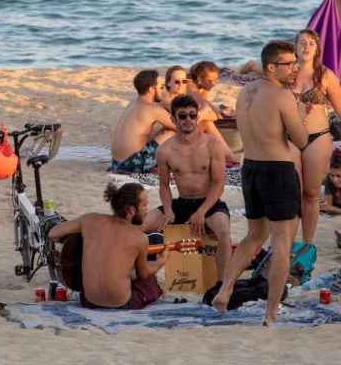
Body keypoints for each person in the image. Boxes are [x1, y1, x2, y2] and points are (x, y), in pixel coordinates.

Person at [212, 41, 307, 325]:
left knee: (254, 235)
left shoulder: (245, 92)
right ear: (270, 67)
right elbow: (301, 141)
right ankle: (270, 312)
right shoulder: (281, 96)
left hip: (250, 168)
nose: (295, 68)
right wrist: (300, 113)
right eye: (289, 63)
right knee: (282, 241)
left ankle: (226, 288)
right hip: (277, 170)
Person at [142, 95, 231, 281]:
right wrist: (167, 210)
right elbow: (164, 186)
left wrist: (202, 212)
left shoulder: (213, 145)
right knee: (141, 227)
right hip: (181, 203)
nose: (188, 120)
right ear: (173, 120)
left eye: (192, 115)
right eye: (183, 116)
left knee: (223, 231)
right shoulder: (164, 150)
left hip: (209, 203)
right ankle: (138, 273)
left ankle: (223, 284)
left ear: (197, 117)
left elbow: (218, 184)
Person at [49, 182, 165, 310]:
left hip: (88, 301)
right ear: (131, 210)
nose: (147, 209)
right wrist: (161, 262)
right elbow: (143, 274)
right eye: (144, 205)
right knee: (150, 282)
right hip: (123, 304)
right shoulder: (140, 238)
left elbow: (53, 233)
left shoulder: (89, 220)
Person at [292, 29, 341, 245]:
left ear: (317, 48)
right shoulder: (287, 74)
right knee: (292, 192)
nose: (306, 46)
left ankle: (307, 243)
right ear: (294, 47)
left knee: (311, 194)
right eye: (302, 42)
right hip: (289, 139)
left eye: (311, 43)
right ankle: (288, 241)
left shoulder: (325, 75)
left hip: (318, 137)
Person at [110, 70, 176, 175]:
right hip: (132, 165)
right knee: (172, 133)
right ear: (151, 89)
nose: (163, 91)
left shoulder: (133, 103)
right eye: (161, 87)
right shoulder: (152, 109)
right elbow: (180, 127)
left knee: (158, 131)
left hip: (116, 163)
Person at [320, 151, 341, 216]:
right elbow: (327, 207)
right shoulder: (326, 180)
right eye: (331, 175)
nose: (335, 180)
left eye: (338, 176)